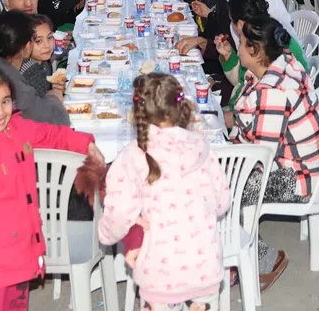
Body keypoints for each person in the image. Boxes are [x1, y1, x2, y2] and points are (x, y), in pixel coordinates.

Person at [0, 64, 101, 304]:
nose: (0, 112)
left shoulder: (16, 129)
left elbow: (51, 134)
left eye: (5, 101)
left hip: (20, 255)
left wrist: (86, 144)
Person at [97, 72, 231, 311]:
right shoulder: (202, 147)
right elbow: (222, 202)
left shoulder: (132, 156)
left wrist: (106, 235)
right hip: (205, 268)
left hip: (159, 272)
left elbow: (119, 212)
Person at [227, 0, 319, 291]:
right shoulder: (280, 63)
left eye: (242, 44)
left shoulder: (272, 91)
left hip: (298, 178)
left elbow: (260, 158)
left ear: (256, 51)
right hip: (293, 162)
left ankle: (264, 259)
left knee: (225, 191)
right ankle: (233, 252)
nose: (237, 48)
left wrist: (225, 162)